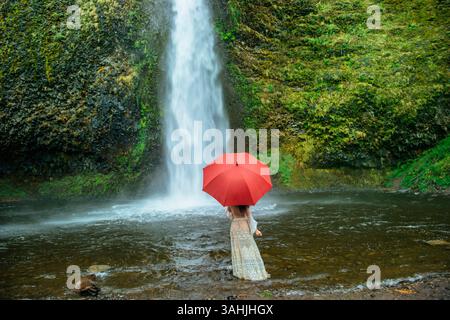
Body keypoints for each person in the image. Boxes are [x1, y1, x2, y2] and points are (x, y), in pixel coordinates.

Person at [226, 205, 270, 281]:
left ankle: (241, 271)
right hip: (244, 225)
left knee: (238, 248)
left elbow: (230, 217)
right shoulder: (245, 203)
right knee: (249, 247)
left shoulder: (230, 203)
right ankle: (252, 269)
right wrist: (256, 230)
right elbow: (250, 217)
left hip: (235, 226)